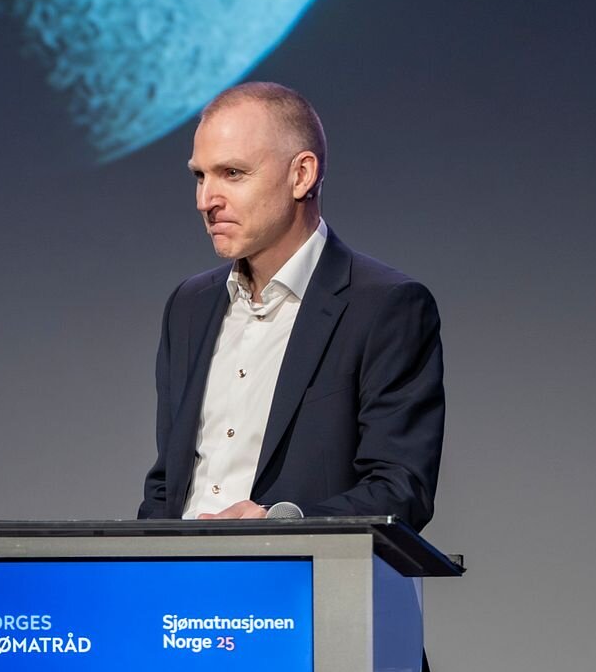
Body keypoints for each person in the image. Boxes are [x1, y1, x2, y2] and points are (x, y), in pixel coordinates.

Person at [137, 82, 445, 532]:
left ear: (301, 175)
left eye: (233, 173)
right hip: (179, 588)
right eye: (200, 176)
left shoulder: (385, 306)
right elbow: (168, 482)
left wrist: (279, 524)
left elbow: (401, 487)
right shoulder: (189, 306)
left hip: (299, 587)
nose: (207, 200)